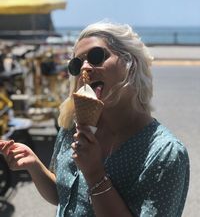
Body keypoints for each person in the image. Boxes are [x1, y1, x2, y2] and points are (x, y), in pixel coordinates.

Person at [0, 21, 189, 217]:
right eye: (76, 64)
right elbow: (66, 196)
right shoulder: (73, 126)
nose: (85, 69)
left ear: (131, 63)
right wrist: (34, 165)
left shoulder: (165, 153)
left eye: (96, 56)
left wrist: (95, 174)